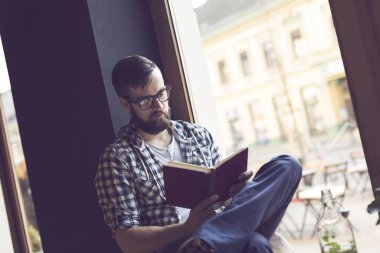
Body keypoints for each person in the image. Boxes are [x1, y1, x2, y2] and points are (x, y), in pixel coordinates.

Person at [94, 55, 302, 253]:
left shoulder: (197, 135)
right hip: (177, 245)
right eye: (146, 102)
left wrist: (239, 191)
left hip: (225, 230)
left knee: (287, 165)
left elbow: (226, 198)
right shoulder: (117, 158)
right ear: (125, 103)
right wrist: (188, 227)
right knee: (255, 245)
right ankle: (204, 243)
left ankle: (211, 240)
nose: (159, 106)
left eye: (161, 94)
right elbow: (127, 242)